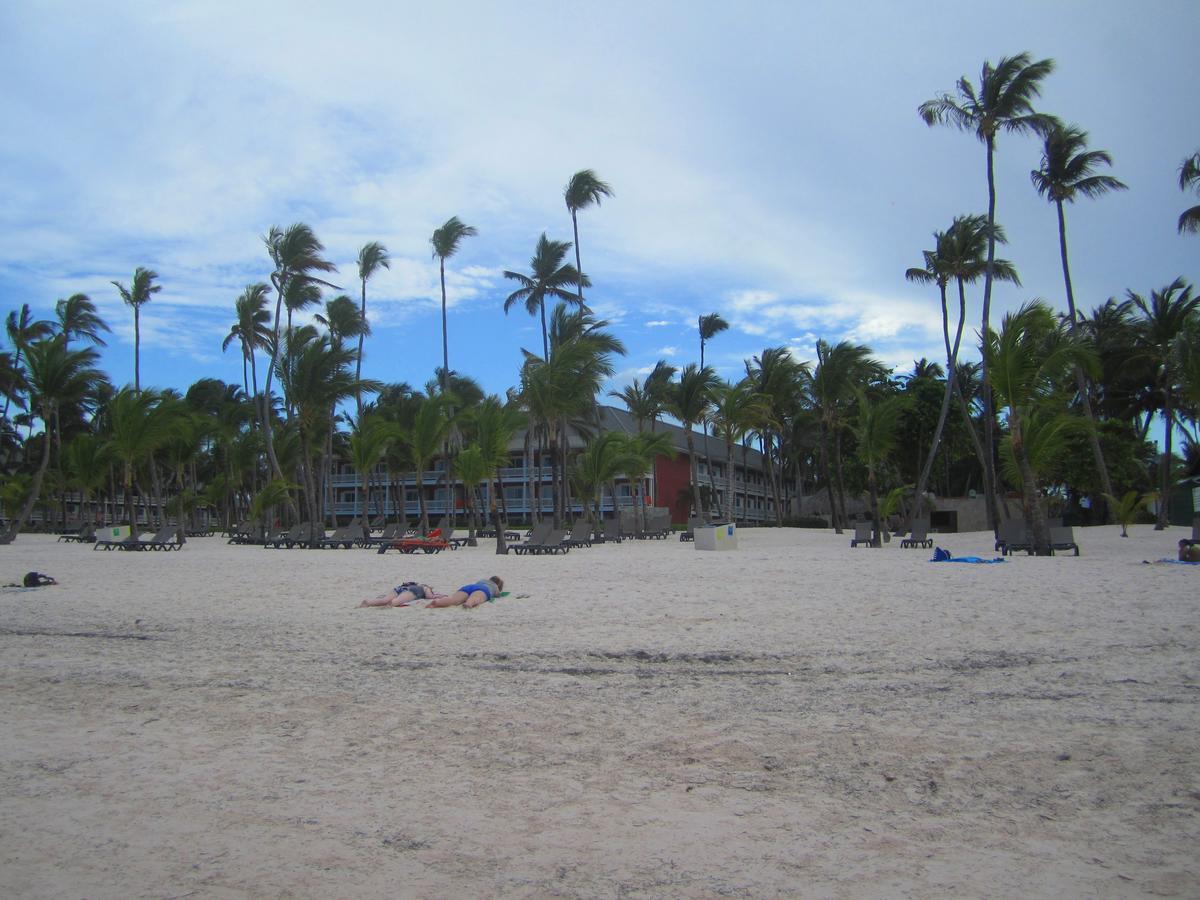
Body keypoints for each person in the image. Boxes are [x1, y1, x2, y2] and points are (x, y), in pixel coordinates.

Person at [426, 576, 505, 609]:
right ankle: (469, 603)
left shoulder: (482, 580)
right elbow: (498, 595)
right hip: (483, 589)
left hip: (469, 586)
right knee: (476, 597)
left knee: (454, 600)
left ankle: (438, 602)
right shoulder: (495, 586)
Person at [359, 581, 448, 608]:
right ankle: (389, 605)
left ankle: (368, 602)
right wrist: (438, 595)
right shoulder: (425, 587)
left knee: (384, 599)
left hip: (400, 588)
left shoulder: (415, 584)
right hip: (412, 592)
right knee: (396, 601)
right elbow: (429, 596)